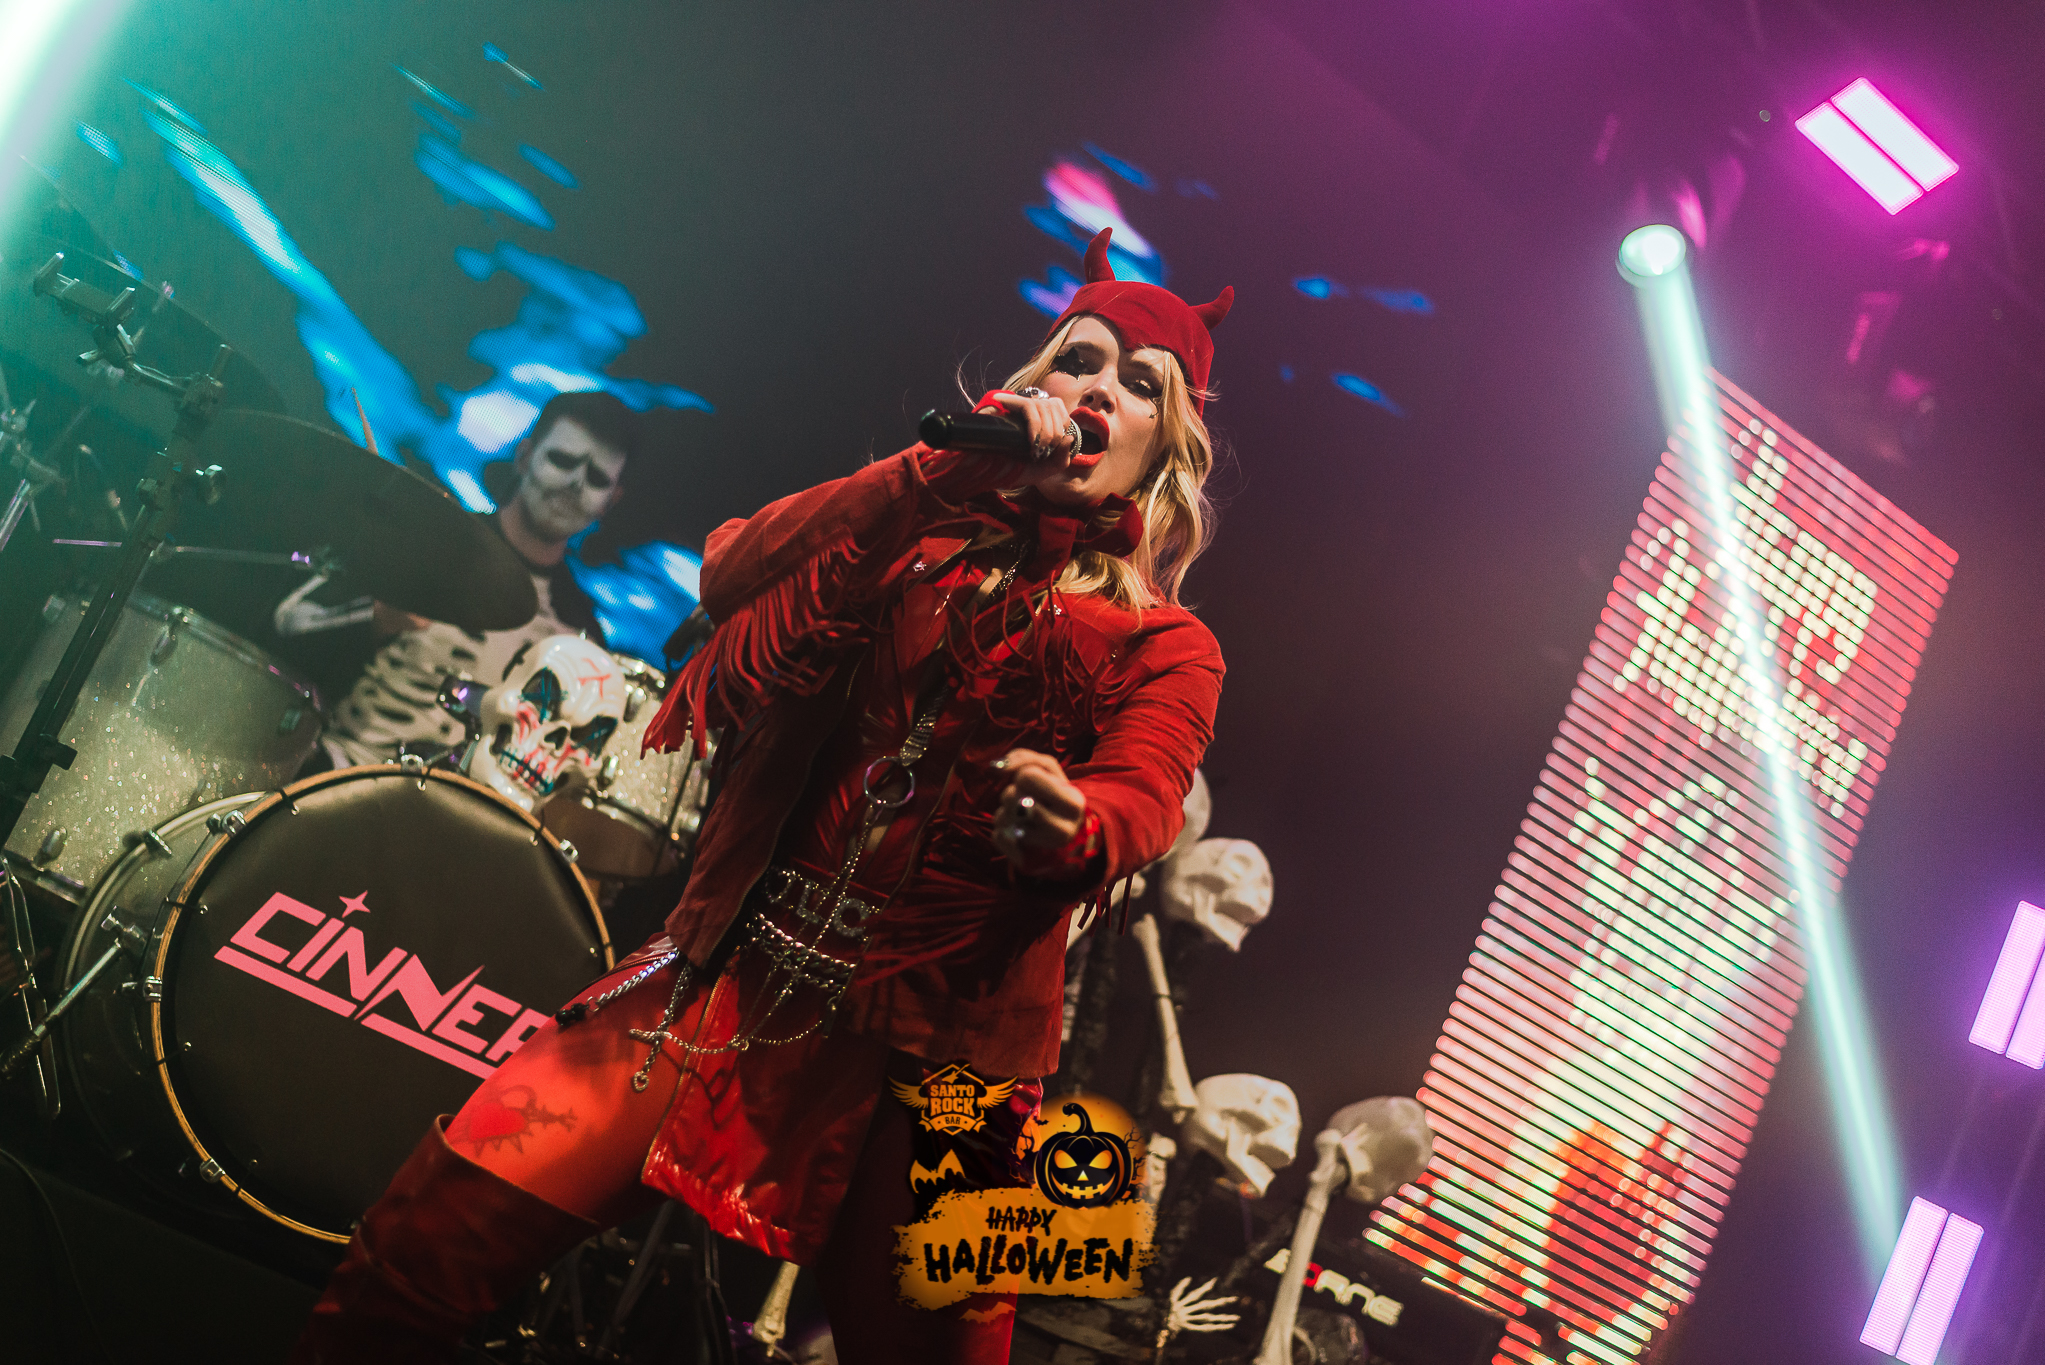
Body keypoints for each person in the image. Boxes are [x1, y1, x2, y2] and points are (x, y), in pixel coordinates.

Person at [288, 228, 1233, 1365]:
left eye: (1140, 384)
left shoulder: (1166, 644)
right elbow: (737, 570)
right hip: (732, 979)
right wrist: (935, 473)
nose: (1096, 391)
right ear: (1028, 388)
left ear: (1164, 450)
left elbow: (1143, 793)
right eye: (1077, 361)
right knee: (427, 1237)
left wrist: (1072, 827)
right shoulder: (908, 535)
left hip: (948, 1069)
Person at [276, 389, 637, 768]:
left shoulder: (583, 637)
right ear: (524, 456)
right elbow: (287, 622)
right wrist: (377, 618)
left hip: (468, 803)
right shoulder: (430, 540)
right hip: (341, 773)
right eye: (562, 460)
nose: (576, 483)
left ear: (612, 500)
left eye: (597, 478)